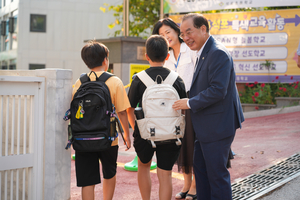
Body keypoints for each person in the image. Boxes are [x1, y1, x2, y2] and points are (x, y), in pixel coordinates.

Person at [172, 13, 244, 200]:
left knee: (216, 176)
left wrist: (188, 103)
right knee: (202, 173)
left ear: (203, 29)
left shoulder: (217, 52)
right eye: (182, 34)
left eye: (189, 32)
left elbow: (218, 90)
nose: (185, 38)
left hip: (217, 125)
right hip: (206, 126)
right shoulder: (204, 51)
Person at [127, 35, 187, 200]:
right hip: (171, 132)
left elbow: (130, 108)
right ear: (167, 56)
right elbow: (183, 107)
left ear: (146, 56)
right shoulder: (176, 79)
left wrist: (137, 129)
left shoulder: (139, 79)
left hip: (145, 132)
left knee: (143, 167)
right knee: (165, 174)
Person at [72, 41, 131, 200]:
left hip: (83, 137)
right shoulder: (114, 81)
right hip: (108, 138)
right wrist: (126, 134)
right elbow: (122, 112)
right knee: (109, 173)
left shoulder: (79, 82)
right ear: (106, 60)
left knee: (87, 180)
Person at [152, 18, 197, 200]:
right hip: (175, 106)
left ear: (177, 31)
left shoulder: (191, 50)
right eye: (161, 35)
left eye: (168, 32)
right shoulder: (166, 57)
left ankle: (195, 185)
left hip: (193, 103)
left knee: (194, 145)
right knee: (183, 146)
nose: (166, 37)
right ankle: (186, 184)